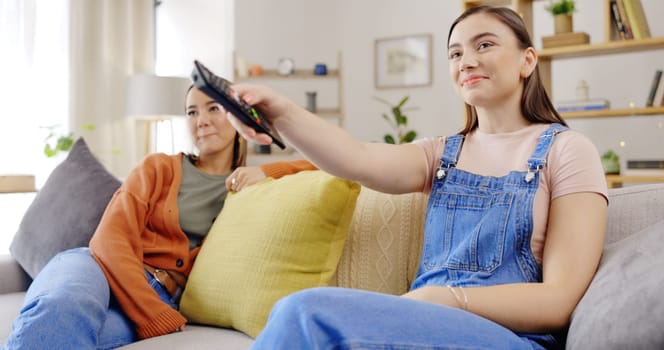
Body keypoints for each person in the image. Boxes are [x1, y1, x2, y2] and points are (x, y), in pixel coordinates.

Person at [226, 5, 608, 350]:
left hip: (510, 337)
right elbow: (354, 157)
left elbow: (559, 300)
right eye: (455, 53)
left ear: (527, 61)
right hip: (422, 326)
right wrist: (280, 112)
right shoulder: (441, 153)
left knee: (305, 313)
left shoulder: (567, 150)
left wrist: (447, 298)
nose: (467, 61)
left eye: (484, 45)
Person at [2, 86, 316, 349]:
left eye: (213, 109)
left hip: (163, 294)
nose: (201, 120)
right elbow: (110, 240)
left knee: (64, 335)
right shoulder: (158, 167)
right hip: (96, 267)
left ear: (239, 119)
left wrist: (266, 170)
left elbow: (322, 166)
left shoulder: (248, 187)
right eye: (192, 112)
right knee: (62, 307)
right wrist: (154, 314)